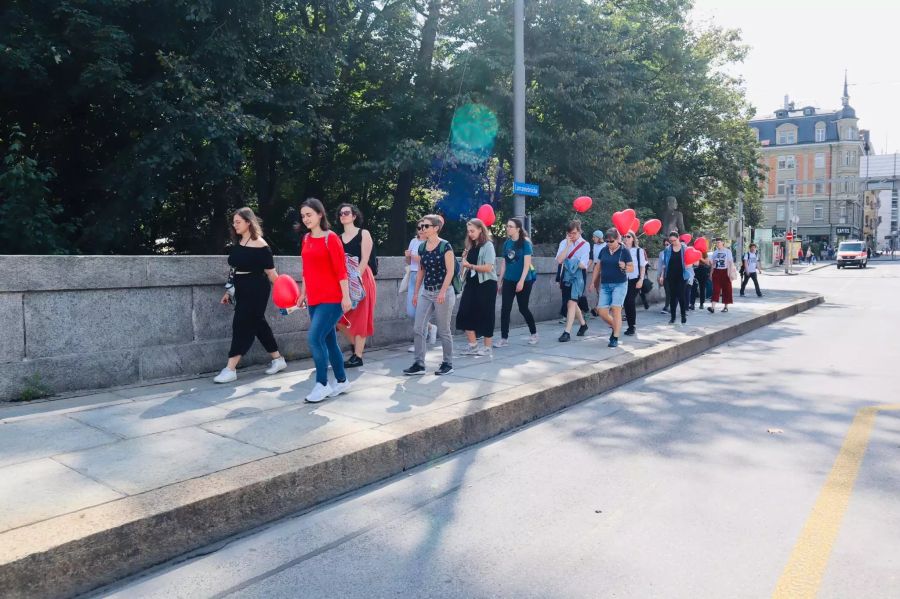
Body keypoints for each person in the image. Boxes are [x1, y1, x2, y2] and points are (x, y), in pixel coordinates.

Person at [214, 208, 286, 383]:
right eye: (234, 222)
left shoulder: (262, 246)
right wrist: (228, 291)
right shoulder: (240, 241)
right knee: (258, 323)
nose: (235, 224)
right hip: (241, 288)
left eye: (238, 221)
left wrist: (288, 294)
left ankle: (230, 368)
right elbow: (234, 270)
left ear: (248, 222)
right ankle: (278, 359)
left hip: (257, 289)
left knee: (241, 324)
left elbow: (271, 274)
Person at [296, 198, 353, 403]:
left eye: (309, 214)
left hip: (332, 298)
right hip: (314, 299)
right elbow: (306, 270)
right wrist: (303, 293)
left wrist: (346, 297)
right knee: (329, 340)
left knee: (314, 338)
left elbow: (341, 270)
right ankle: (342, 380)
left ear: (320, 214)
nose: (305, 219)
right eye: (303, 216)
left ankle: (322, 384)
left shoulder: (331, 238)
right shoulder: (305, 239)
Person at [404, 215, 457, 376]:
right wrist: (415, 292)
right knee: (418, 327)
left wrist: (442, 292)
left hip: (444, 292)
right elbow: (421, 271)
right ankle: (419, 364)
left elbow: (450, 271)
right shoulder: (421, 247)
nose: (422, 229)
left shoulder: (445, 246)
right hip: (426, 292)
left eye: (426, 226)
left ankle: (448, 363)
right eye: (421, 227)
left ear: (435, 228)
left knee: (444, 330)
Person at [336, 204, 377, 368]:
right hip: (344, 280)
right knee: (339, 319)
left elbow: (365, 260)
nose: (343, 215)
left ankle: (358, 356)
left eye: (346, 212)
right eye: (341, 213)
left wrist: (355, 280)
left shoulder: (363, 233)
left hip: (362, 277)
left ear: (354, 216)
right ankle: (356, 347)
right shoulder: (337, 238)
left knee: (360, 316)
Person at [457, 218, 498, 356]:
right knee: (464, 312)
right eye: (468, 231)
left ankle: (487, 347)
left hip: (486, 284)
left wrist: (471, 266)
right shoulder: (470, 246)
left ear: (481, 229)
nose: (470, 234)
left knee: (486, 314)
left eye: (472, 231)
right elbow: (464, 268)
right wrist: (464, 261)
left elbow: (488, 267)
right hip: (472, 283)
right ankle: (473, 345)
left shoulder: (488, 246)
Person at [497, 218, 538, 346]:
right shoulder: (507, 243)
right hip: (509, 280)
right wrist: (500, 281)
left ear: (518, 229)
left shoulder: (525, 243)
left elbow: (527, 265)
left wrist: (521, 282)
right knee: (505, 309)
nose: (507, 228)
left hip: (524, 281)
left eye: (510, 226)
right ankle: (504, 338)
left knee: (523, 308)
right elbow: (504, 263)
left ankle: (534, 333)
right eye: (507, 226)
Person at [592, 228, 633, 346]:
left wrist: (624, 266)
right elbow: (597, 267)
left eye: (611, 241)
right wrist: (592, 282)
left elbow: (631, 268)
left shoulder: (624, 251)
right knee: (602, 312)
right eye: (607, 241)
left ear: (618, 239)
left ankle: (615, 337)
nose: (609, 243)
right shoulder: (603, 250)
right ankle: (616, 326)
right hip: (605, 285)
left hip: (620, 284)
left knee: (616, 309)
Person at [404, 227, 439, 352]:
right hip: (413, 275)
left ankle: (419, 343)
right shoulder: (413, 241)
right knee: (411, 311)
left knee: (420, 311)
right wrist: (408, 256)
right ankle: (430, 327)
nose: (420, 230)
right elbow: (409, 261)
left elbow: (424, 259)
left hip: (424, 276)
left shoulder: (429, 243)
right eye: (418, 227)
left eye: (423, 227)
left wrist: (413, 255)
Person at [556, 220, 590, 342]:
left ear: (579, 231)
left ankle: (567, 332)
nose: (573, 236)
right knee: (572, 303)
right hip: (565, 276)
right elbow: (559, 260)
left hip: (578, 277)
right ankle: (583, 324)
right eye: (570, 234)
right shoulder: (564, 243)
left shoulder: (585, 244)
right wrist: (568, 246)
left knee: (571, 303)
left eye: (575, 233)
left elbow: (583, 264)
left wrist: (570, 262)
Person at [658, 231, 690, 324]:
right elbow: (664, 264)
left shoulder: (684, 248)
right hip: (670, 276)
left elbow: (690, 261)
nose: (673, 242)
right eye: (671, 240)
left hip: (682, 276)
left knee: (681, 296)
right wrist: (662, 276)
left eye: (674, 240)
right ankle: (673, 317)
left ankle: (683, 316)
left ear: (678, 238)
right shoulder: (668, 249)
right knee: (672, 297)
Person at [621, 231, 646, 336]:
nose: (626, 238)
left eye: (628, 236)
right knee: (625, 302)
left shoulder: (638, 251)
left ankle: (632, 326)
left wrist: (641, 279)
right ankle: (628, 325)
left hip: (634, 280)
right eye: (624, 236)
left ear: (633, 238)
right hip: (622, 279)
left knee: (629, 301)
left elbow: (642, 266)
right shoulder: (621, 250)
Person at [709, 237, 735, 313]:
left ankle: (726, 307)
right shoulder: (715, 252)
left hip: (725, 271)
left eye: (719, 242)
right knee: (716, 290)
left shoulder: (727, 251)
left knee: (727, 290)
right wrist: (711, 273)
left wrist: (730, 273)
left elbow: (730, 263)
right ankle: (712, 307)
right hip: (717, 272)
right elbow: (713, 264)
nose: (717, 244)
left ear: (723, 243)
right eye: (716, 243)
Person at [657, 240, 671, 314]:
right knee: (667, 291)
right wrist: (659, 276)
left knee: (673, 292)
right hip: (665, 275)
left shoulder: (674, 252)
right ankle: (666, 306)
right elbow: (660, 265)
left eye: (667, 244)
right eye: (665, 244)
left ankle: (671, 306)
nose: (666, 246)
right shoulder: (662, 253)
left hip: (674, 275)